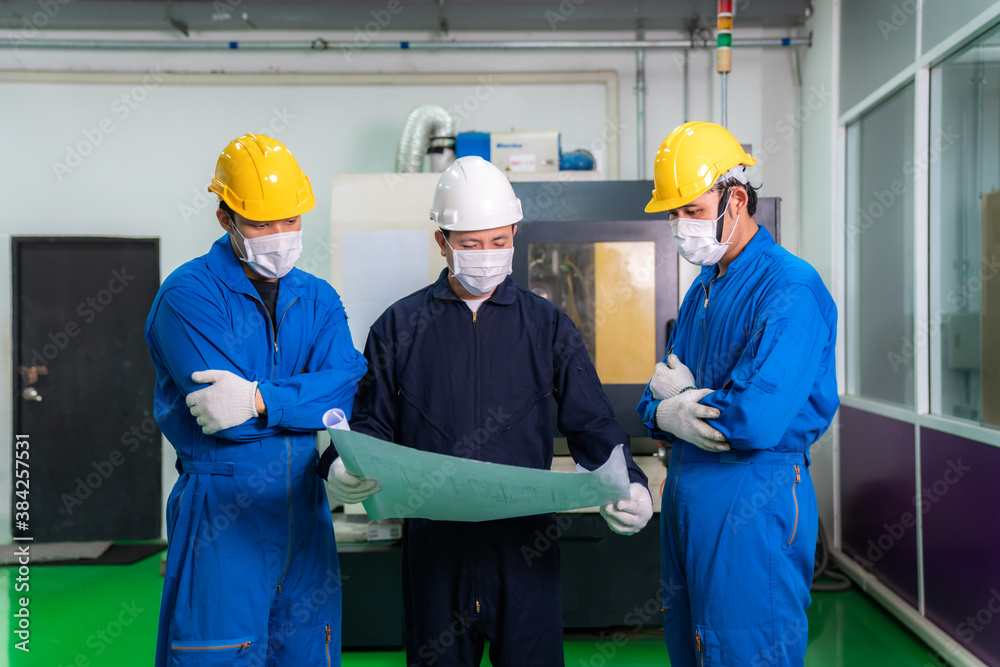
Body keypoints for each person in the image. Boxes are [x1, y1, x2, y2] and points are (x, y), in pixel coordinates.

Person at [318, 155, 653, 666]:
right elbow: (371, 424)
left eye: (499, 242)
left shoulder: (548, 327)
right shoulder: (398, 327)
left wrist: (629, 481)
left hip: (525, 551)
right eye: (471, 245)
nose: (486, 256)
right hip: (434, 552)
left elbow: (593, 423)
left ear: (515, 233)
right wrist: (342, 467)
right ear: (442, 242)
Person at [145, 133, 366, 666]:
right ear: (226, 219)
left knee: (308, 651)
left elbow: (349, 388)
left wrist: (260, 399)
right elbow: (224, 419)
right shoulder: (188, 296)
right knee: (216, 652)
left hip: (304, 508)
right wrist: (300, 404)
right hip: (222, 512)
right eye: (263, 224)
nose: (280, 236)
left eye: (290, 220)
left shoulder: (317, 296)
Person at [636, 121, 839, 666]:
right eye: (673, 213)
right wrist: (672, 410)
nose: (681, 227)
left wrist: (678, 406)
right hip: (689, 496)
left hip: (754, 498)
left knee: (747, 646)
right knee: (694, 646)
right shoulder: (706, 286)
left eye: (692, 211)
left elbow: (755, 420)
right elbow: (651, 400)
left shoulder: (789, 288)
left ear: (737, 199)